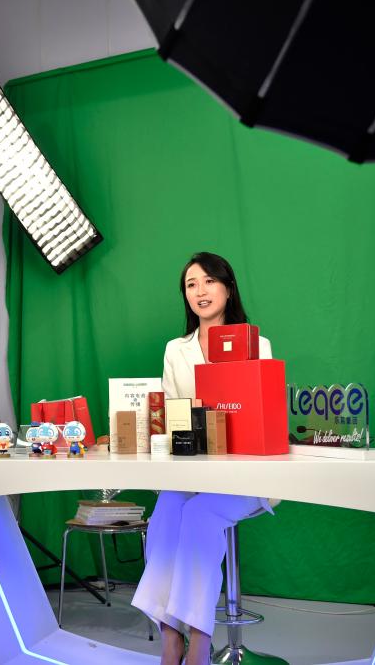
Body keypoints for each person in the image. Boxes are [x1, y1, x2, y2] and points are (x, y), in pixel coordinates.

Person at [131, 252, 274, 665]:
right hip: (194, 472)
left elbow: (262, 414)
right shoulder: (176, 350)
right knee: (164, 514)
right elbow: (172, 414)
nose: (200, 291)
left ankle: (199, 643)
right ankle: (170, 637)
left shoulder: (256, 344)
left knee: (198, 517)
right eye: (191, 284)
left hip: (246, 475)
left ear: (228, 288)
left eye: (209, 281)